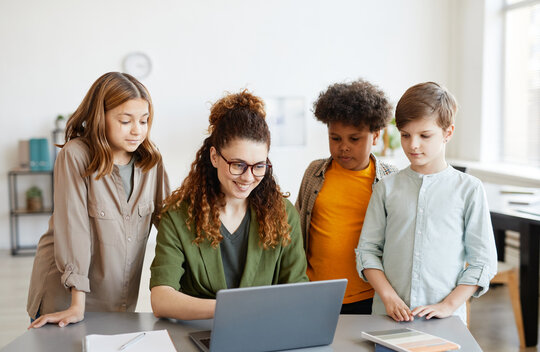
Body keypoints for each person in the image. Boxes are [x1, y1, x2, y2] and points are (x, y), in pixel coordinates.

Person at [27, 72, 170, 328]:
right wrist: (76, 305)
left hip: (119, 300)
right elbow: (74, 230)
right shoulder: (76, 156)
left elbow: (171, 222)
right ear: (99, 117)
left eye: (144, 120)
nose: (137, 130)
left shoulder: (151, 161)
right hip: (66, 299)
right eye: (125, 121)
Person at [149, 90, 308, 320]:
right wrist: (228, 309)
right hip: (200, 335)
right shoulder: (178, 216)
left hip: (264, 333)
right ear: (214, 157)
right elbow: (162, 298)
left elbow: (298, 291)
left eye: (259, 166)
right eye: (238, 164)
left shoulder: (283, 213)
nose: (248, 177)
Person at [356, 82, 497, 324]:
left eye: (425, 135)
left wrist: (448, 305)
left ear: (448, 132)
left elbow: (482, 262)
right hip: (388, 316)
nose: (413, 145)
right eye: (405, 135)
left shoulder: (469, 189)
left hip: (446, 319)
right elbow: (367, 252)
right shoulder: (385, 188)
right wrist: (388, 297)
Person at [295, 80, 397, 314]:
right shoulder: (314, 172)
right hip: (315, 291)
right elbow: (298, 226)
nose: (344, 147)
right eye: (335, 138)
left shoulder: (391, 180)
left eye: (354, 138)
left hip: (367, 295)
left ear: (375, 136)